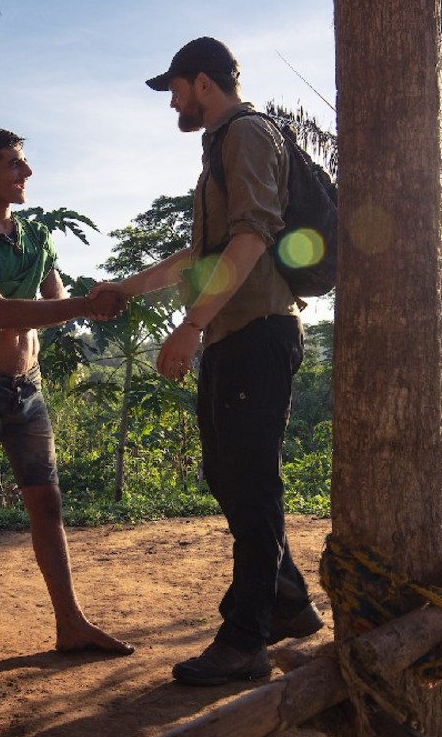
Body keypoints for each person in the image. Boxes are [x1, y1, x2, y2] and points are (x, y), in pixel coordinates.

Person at [90, 37, 323, 686]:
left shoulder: (246, 135)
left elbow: (251, 238)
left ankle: (245, 638)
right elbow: (201, 258)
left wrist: (190, 325)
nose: (173, 104)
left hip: (256, 333)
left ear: (201, 83)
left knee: (251, 483)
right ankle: (289, 604)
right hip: (232, 336)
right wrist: (125, 289)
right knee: (230, 475)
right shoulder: (219, 147)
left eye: (175, 91)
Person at [0, 128, 133, 659]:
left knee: (47, 504)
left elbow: (51, 306)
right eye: (14, 165)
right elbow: (6, 309)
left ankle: (71, 623)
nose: (26, 175)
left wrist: (12, 320)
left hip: (29, 389)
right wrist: (5, 318)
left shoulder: (38, 237)